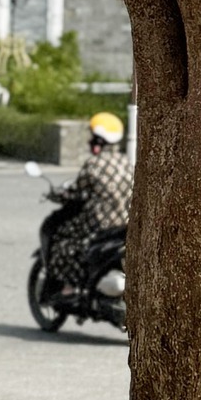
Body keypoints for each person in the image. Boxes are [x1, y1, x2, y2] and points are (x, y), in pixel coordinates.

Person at [42, 109, 132, 301]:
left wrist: (58, 195)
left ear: (99, 141)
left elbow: (76, 193)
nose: (90, 142)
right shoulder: (126, 162)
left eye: (93, 138)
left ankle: (69, 287)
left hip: (100, 224)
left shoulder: (93, 164)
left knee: (64, 241)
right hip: (125, 223)